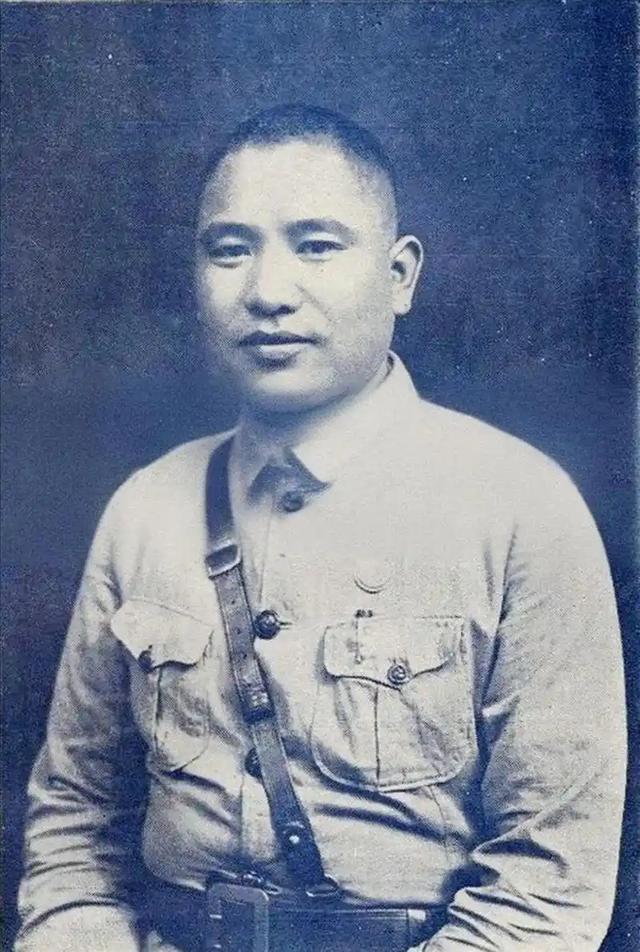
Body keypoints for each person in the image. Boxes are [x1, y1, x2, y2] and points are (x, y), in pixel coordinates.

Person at [16, 105, 626, 952]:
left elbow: (548, 885)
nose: (268, 291)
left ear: (400, 275)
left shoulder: (521, 511)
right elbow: (74, 824)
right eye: (230, 250)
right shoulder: (144, 509)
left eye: (316, 245)